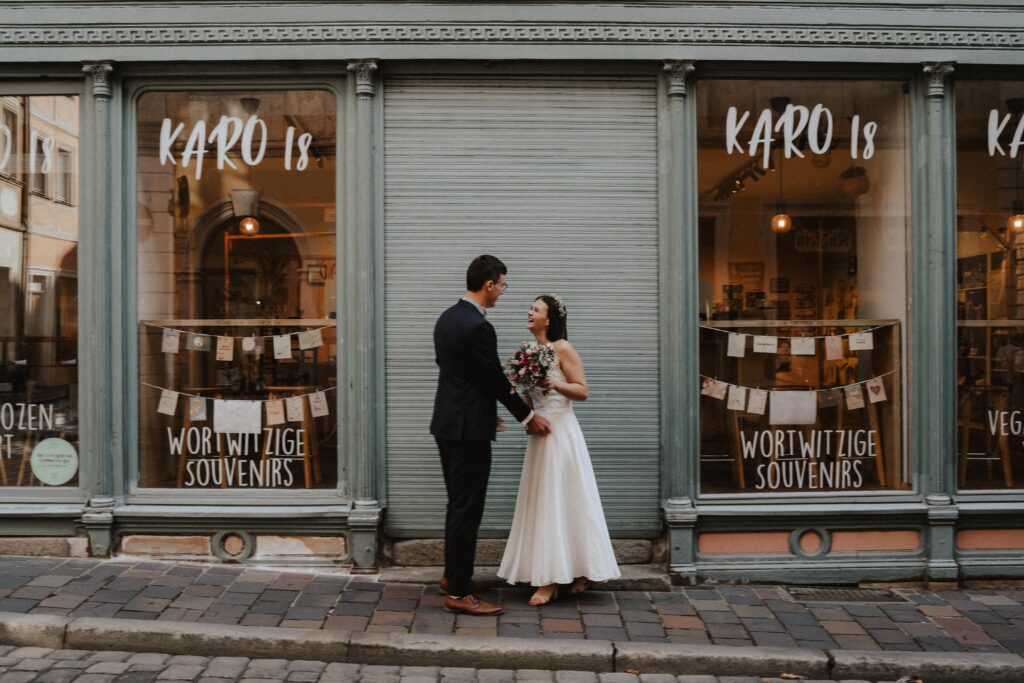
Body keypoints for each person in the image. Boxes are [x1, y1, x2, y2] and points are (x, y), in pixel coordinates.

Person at [431, 255, 552, 616]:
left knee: (458, 504)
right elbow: (492, 379)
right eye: (502, 285)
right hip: (467, 431)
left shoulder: (448, 318)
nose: (502, 292)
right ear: (489, 285)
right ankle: (459, 593)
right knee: (467, 508)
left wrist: (484, 413)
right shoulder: (479, 327)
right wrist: (527, 416)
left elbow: (461, 377)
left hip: (449, 423)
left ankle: (455, 577)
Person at [497, 294, 620, 606]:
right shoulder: (530, 353)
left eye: (535, 309)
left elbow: (582, 390)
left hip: (562, 432)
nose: (529, 312)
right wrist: (526, 414)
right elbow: (529, 397)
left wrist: (553, 385)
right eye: (530, 308)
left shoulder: (562, 348)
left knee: (564, 499)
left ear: (549, 319)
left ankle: (552, 581)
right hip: (540, 434)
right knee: (546, 501)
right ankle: (570, 571)